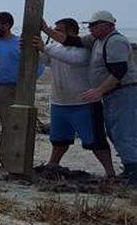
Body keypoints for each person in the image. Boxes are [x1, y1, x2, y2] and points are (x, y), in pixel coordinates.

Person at [43, 11, 136, 183]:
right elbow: (69, 42)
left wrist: (99, 90)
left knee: (115, 134)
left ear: (107, 25)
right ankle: (52, 165)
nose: (90, 28)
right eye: (89, 26)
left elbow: (119, 71)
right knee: (62, 138)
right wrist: (45, 32)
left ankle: (128, 171)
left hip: (119, 92)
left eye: (93, 25)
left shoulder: (114, 41)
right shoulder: (95, 40)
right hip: (72, 100)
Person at [31, 19, 115, 178]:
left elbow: (73, 59)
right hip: (60, 102)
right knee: (59, 139)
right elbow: (45, 59)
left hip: (84, 103)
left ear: (71, 33)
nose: (55, 33)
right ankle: (53, 164)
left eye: (58, 30)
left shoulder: (84, 49)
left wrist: (45, 47)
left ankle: (110, 171)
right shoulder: (55, 48)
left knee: (95, 141)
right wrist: (33, 49)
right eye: (54, 30)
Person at [0, 11, 44, 169]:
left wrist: (24, 84)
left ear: (7, 25)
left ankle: (5, 157)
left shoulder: (19, 44)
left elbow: (37, 67)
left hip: (11, 88)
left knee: (9, 125)